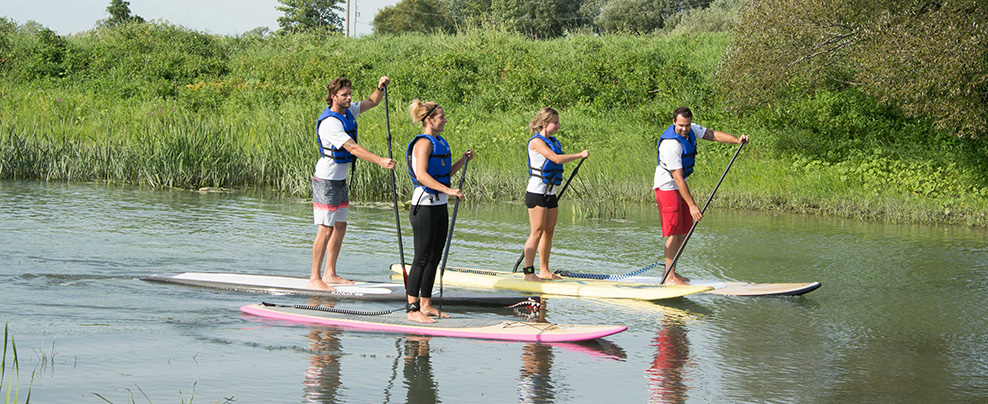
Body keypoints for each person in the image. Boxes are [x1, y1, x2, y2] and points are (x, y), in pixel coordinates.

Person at [308, 76, 397, 291]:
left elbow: (372, 102)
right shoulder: (330, 122)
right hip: (326, 181)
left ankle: (330, 273)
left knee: (340, 226)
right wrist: (380, 161)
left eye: (349, 94)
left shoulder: (348, 111)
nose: (349, 98)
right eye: (344, 95)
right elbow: (353, 148)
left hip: (340, 180)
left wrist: (380, 87)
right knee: (325, 229)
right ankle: (314, 278)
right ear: (332, 97)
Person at [655, 107, 748, 285]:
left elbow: (711, 135)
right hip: (666, 187)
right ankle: (669, 278)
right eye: (681, 125)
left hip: (679, 186)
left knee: (685, 230)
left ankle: (670, 272)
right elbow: (677, 177)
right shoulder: (670, 144)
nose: (684, 129)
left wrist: (737, 141)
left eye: (687, 125)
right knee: (674, 232)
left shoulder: (691, 130)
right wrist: (692, 205)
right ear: (674, 122)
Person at [405, 99, 473, 323]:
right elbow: (422, 176)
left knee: (435, 257)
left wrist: (463, 160)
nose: (445, 120)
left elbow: (445, 174)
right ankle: (412, 308)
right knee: (421, 258)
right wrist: (449, 190)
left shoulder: (440, 142)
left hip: (439, 205)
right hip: (424, 206)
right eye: (441, 117)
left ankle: (426, 304)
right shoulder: (423, 143)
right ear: (428, 120)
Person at [520, 107, 589, 282]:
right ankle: (529, 273)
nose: (558, 125)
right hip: (536, 192)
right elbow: (556, 159)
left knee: (549, 231)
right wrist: (579, 154)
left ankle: (544, 270)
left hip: (550, 192)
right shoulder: (536, 142)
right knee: (536, 231)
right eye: (555, 122)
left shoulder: (553, 141)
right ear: (544, 123)